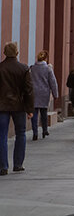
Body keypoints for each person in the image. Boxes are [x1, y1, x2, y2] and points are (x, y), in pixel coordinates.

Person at [0, 42, 34, 175]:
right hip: (19, 106)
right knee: (21, 133)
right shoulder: (24, 68)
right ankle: (18, 164)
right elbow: (29, 90)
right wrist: (30, 109)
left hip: (2, 106)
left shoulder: (0, 68)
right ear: (17, 53)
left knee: (2, 135)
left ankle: (3, 166)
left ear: (4, 53)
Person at [30, 51, 58, 141]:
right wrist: (55, 94)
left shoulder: (32, 68)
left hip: (34, 93)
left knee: (34, 113)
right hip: (44, 93)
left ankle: (35, 132)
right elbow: (53, 82)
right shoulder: (48, 69)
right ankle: (44, 130)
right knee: (43, 112)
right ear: (46, 58)